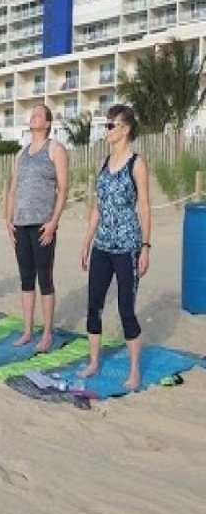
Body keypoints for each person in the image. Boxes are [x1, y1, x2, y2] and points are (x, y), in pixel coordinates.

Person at [79, 105, 151, 390]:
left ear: (126, 129)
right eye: (106, 124)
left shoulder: (137, 164)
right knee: (93, 306)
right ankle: (94, 361)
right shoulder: (103, 162)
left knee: (126, 309)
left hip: (128, 246)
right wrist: (87, 241)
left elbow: (144, 206)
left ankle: (134, 370)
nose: (106, 129)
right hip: (102, 246)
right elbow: (98, 207)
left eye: (111, 125)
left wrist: (146, 246)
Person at [5, 103, 69, 352]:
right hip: (20, 223)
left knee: (45, 279)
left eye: (38, 114)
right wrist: (7, 221)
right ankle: (28, 330)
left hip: (43, 225)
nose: (33, 117)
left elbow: (63, 189)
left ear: (48, 123)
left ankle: (47, 333)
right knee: (26, 279)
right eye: (32, 114)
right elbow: (13, 190)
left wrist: (53, 222)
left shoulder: (56, 150)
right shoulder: (21, 154)